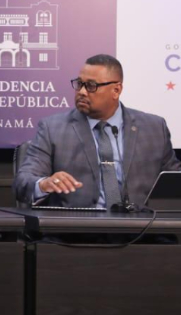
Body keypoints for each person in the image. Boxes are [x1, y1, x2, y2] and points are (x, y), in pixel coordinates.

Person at [14, 54, 181, 210]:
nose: (82, 92)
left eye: (91, 86)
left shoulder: (154, 128)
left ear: (116, 90)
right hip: (77, 225)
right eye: (79, 84)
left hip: (142, 226)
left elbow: (174, 180)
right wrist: (44, 184)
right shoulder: (52, 128)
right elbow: (23, 181)